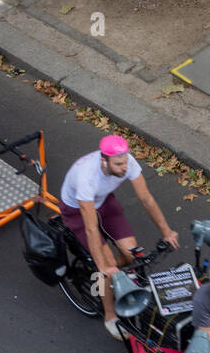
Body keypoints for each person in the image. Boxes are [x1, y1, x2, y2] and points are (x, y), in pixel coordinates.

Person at [59, 135, 179, 338]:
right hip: (79, 212)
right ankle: (110, 316)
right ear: (104, 160)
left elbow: (146, 198)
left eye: (125, 161)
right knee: (106, 267)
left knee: (133, 255)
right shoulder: (86, 177)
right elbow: (90, 228)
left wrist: (166, 232)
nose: (125, 167)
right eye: (118, 164)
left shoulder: (126, 161)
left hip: (104, 202)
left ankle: (118, 277)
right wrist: (104, 266)